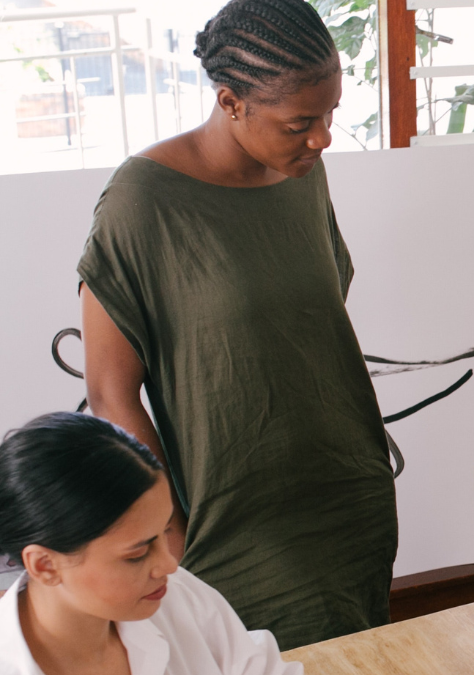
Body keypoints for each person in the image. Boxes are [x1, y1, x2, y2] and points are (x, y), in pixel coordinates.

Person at [77, 0, 396, 649]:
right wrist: (167, 528)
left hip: (347, 490)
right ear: (230, 102)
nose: (323, 137)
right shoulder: (143, 201)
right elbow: (111, 392)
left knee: (360, 659)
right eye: (301, 122)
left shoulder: (301, 171)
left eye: (330, 114)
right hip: (235, 517)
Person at [0, 412, 302, 675]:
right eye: (138, 554)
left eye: (164, 532)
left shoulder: (175, 596)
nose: (170, 565)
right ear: (45, 565)